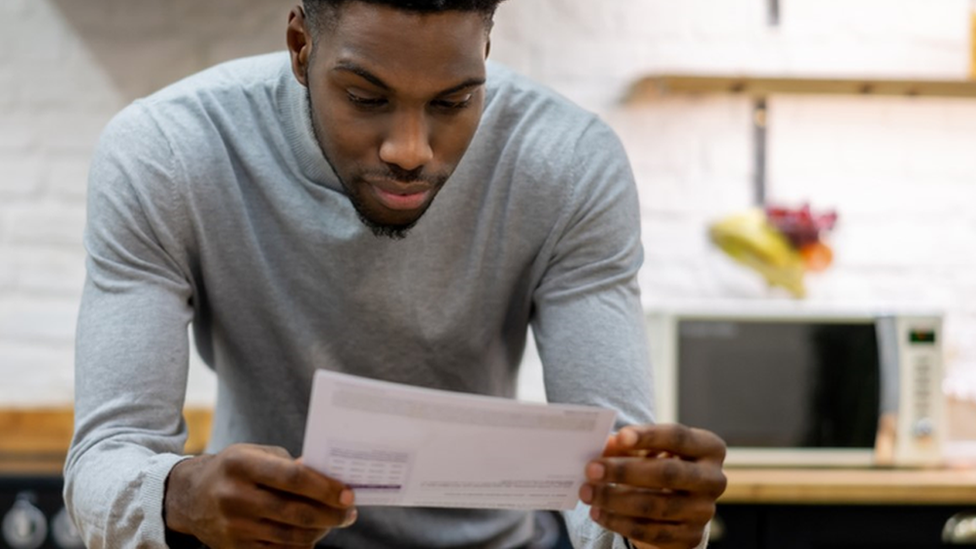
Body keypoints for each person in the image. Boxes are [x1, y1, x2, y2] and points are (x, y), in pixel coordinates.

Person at [64, 1, 728, 548]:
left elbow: (611, 490)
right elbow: (103, 464)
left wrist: (651, 521)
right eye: (366, 97)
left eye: (452, 102)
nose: (409, 150)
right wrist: (183, 491)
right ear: (301, 47)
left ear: (486, 53)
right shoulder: (169, 153)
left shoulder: (567, 164)